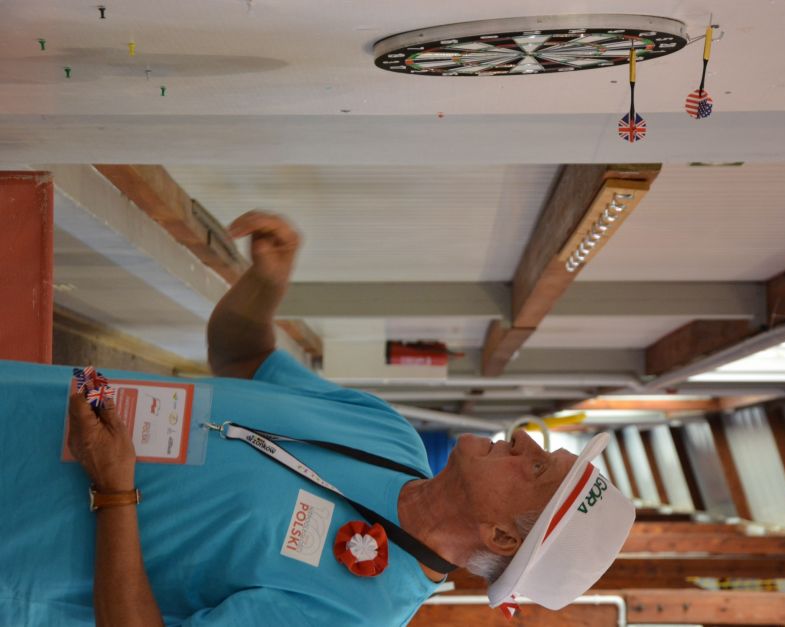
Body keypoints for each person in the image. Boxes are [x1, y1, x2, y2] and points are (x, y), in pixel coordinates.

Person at [0, 211, 635, 626]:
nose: (523, 440)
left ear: (501, 538)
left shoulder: (358, 612)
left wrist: (115, 488)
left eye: (538, 469)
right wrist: (265, 285)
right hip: (22, 401)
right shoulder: (390, 437)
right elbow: (240, 357)